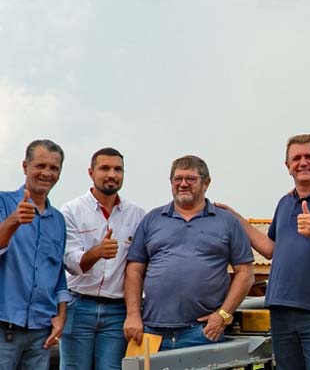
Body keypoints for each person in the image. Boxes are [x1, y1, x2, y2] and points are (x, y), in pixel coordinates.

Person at [217, 134, 310, 370]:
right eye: (296, 158)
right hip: (281, 310)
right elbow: (270, 249)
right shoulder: (284, 203)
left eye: (309, 157)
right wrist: (237, 219)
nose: (303, 162)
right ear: (288, 166)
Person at [123, 155, 254, 350]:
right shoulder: (152, 220)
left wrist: (223, 315)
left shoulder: (227, 222)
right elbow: (134, 270)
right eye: (178, 179)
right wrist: (133, 314)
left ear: (206, 183)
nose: (183, 184)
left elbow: (246, 274)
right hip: (151, 332)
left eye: (190, 179)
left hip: (203, 332)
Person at [60, 147, 146, 370]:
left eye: (118, 169)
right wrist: (98, 252)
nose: (112, 174)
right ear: (91, 172)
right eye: (104, 168)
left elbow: (139, 266)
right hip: (79, 305)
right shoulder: (71, 211)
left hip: (117, 309)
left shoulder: (136, 215)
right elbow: (71, 263)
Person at [0, 139, 70, 369]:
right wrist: (13, 221)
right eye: (40, 165)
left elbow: (58, 274)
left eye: (54, 168)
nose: (47, 173)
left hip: (41, 334)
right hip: (4, 327)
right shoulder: (4, 203)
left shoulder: (58, 220)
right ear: (25, 167)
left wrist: (61, 316)